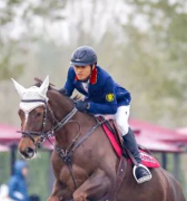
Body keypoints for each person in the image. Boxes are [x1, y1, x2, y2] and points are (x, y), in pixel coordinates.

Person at [62, 46, 152, 184]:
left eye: (82, 67)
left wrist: (87, 106)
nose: (78, 71)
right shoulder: (72, 73)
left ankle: (138, 164)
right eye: (76, 66)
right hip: (95, 102)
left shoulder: (105, 79)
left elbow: (111, 108)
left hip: (118, 103)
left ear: (93, 66)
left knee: (121, 124)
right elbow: (66, 92)